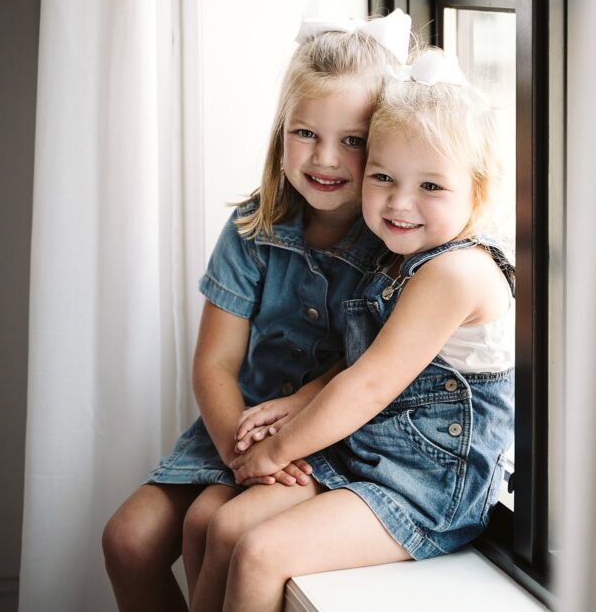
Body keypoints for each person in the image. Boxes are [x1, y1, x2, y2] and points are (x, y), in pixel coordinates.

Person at [101, 8, 413, 611]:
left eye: (351, 141)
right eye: (305, 134)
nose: (324, 159)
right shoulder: (254, 228)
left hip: (329, 437)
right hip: (235, 429)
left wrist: (276, 454)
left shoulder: (394, 244)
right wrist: (238, 453)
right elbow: (214, 364)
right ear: (281, 133)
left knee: (215, 522)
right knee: (127, 540)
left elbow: (369, 372)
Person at [190, 49, 515, 612]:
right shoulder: (400, 254)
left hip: (426, 487)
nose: (400, 202)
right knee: (222, 525)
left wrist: (279, 451)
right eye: (384, 177)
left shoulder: (457, 271)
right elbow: (365, 364)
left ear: (477, 191)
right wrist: (296, 404)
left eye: (431, 187)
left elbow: (368, 386)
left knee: (259, 552)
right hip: (367, 455)